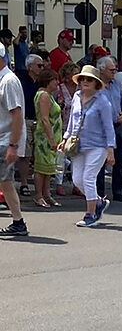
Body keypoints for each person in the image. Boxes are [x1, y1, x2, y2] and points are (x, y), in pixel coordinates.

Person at [59, 65, 116, 227]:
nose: (85, 82)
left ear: (96, 83)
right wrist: (65, 138)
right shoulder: (76, 96)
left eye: (89, 79)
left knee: (88, 178)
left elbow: (108, 127)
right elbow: (72, 120)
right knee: (77, 180)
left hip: (98, 146)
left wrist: (110, 149)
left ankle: (90, 214)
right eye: (82, 79)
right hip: (78, 145)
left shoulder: (103, 101)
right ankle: (98, 202)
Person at [0, 43, 29, 236]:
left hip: (5, 139)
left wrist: (13, 145)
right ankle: (18, 222)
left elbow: (17, 114)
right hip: (4, 139)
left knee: (5, 181)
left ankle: (19, 222)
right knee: (5, 181)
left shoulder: (8, 81)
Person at [95, 57, 122, 202]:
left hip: (117, 126)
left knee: (119, 160)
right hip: (101, 129)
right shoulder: (95, 86)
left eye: (115, 69)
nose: (115, 72)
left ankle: (117, 190)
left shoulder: (116, 85)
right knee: (100, 161)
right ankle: (100, 193)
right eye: (112, 70)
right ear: (102, 70)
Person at [32, 69, 63, 208]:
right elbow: (44, 119)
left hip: (52, 136)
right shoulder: (43, 95)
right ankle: (39, 195)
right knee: (41, 167)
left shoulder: (49, 95)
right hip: (44, 137)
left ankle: (47, 194)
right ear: (48, 81)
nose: (57, 83)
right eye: (55, 80)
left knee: (49, 167)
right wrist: (51, 139)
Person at [17, 54, 43, 197]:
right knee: (25, 154)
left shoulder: (40, 82)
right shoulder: (21, 80)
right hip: (25, 119)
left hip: (38, 118)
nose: (41, 68)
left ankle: (39, 186)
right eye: (39, 65)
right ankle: (24, 183)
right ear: (30, 67)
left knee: (37, 154)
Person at [54, 62, 82, 197]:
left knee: (76, 157)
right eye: (74, 72)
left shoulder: (81, 90)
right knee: (61, 157)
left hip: (77, 128)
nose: (77, 75)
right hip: (61, 127)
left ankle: (76, 185)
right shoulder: (59, 89)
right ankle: (59, 184)